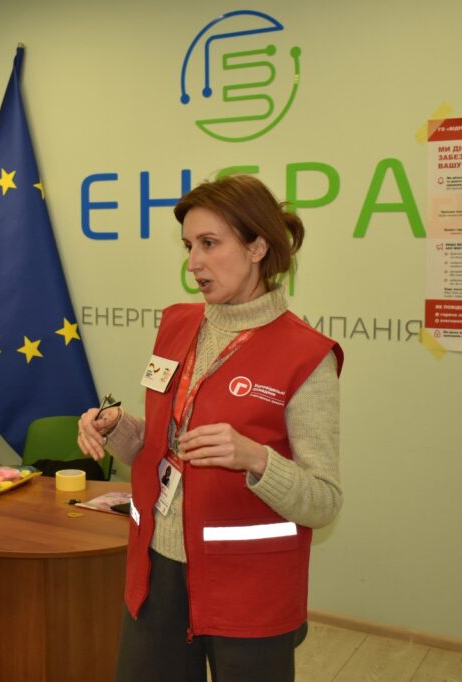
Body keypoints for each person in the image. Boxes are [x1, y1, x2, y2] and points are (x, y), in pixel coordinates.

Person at [76, 175, 344, 682]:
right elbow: (163, 446)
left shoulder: (306, 356)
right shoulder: (176, 324)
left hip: (249, 587)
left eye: (209, 244)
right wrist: (116, 427)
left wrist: (255, 459)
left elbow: (324, 501)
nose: (193, 263)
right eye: (189, 246)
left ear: (257, 247)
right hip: (156, 570)